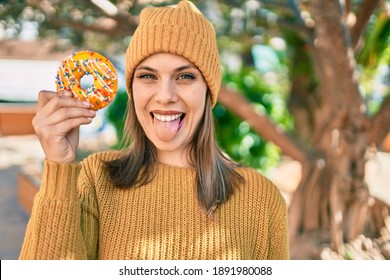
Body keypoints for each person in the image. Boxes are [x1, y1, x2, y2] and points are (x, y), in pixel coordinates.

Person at [19, 0, 289, 260]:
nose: (164, 96)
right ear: (132, 87)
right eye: (148, 76)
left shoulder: (262, 198)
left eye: (185, 76)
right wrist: (59, 166)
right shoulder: (95, 180)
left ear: (209, 91)